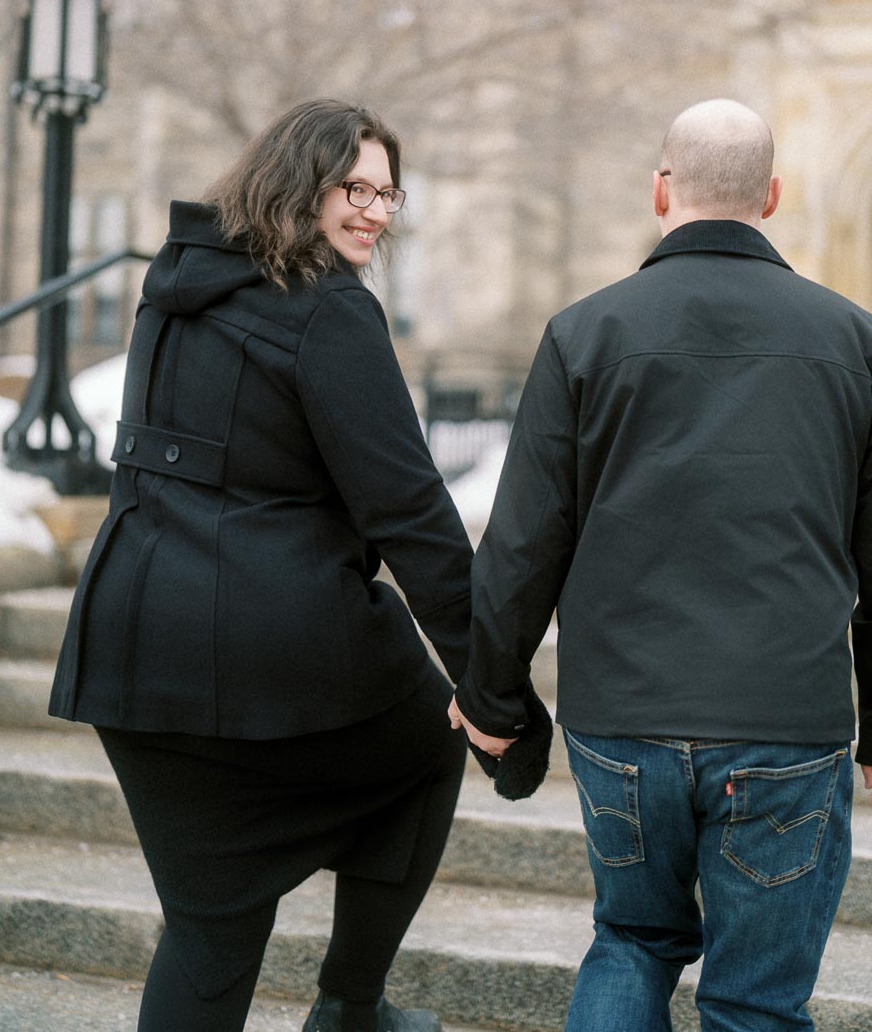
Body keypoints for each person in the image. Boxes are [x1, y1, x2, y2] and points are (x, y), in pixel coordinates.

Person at [49, 99, 475, 1032]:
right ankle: (350, 1009)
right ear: (299, 184)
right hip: (260, 645)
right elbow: (407, 507)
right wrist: (492, 681)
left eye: (386, 191)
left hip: (128, 643)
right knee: (433, 739)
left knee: (210, 925)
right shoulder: (328, 312)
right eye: (351, 188)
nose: (373, 211)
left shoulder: (175, 288)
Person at [448, 98, 872, 1031]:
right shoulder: (853, 341)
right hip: (786, 725)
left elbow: (522, 545)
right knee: (757, 1003)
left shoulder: (583, 334)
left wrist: (490, 699)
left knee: (631, 943)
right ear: (771, 195)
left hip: (624, 720)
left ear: (659, 190)